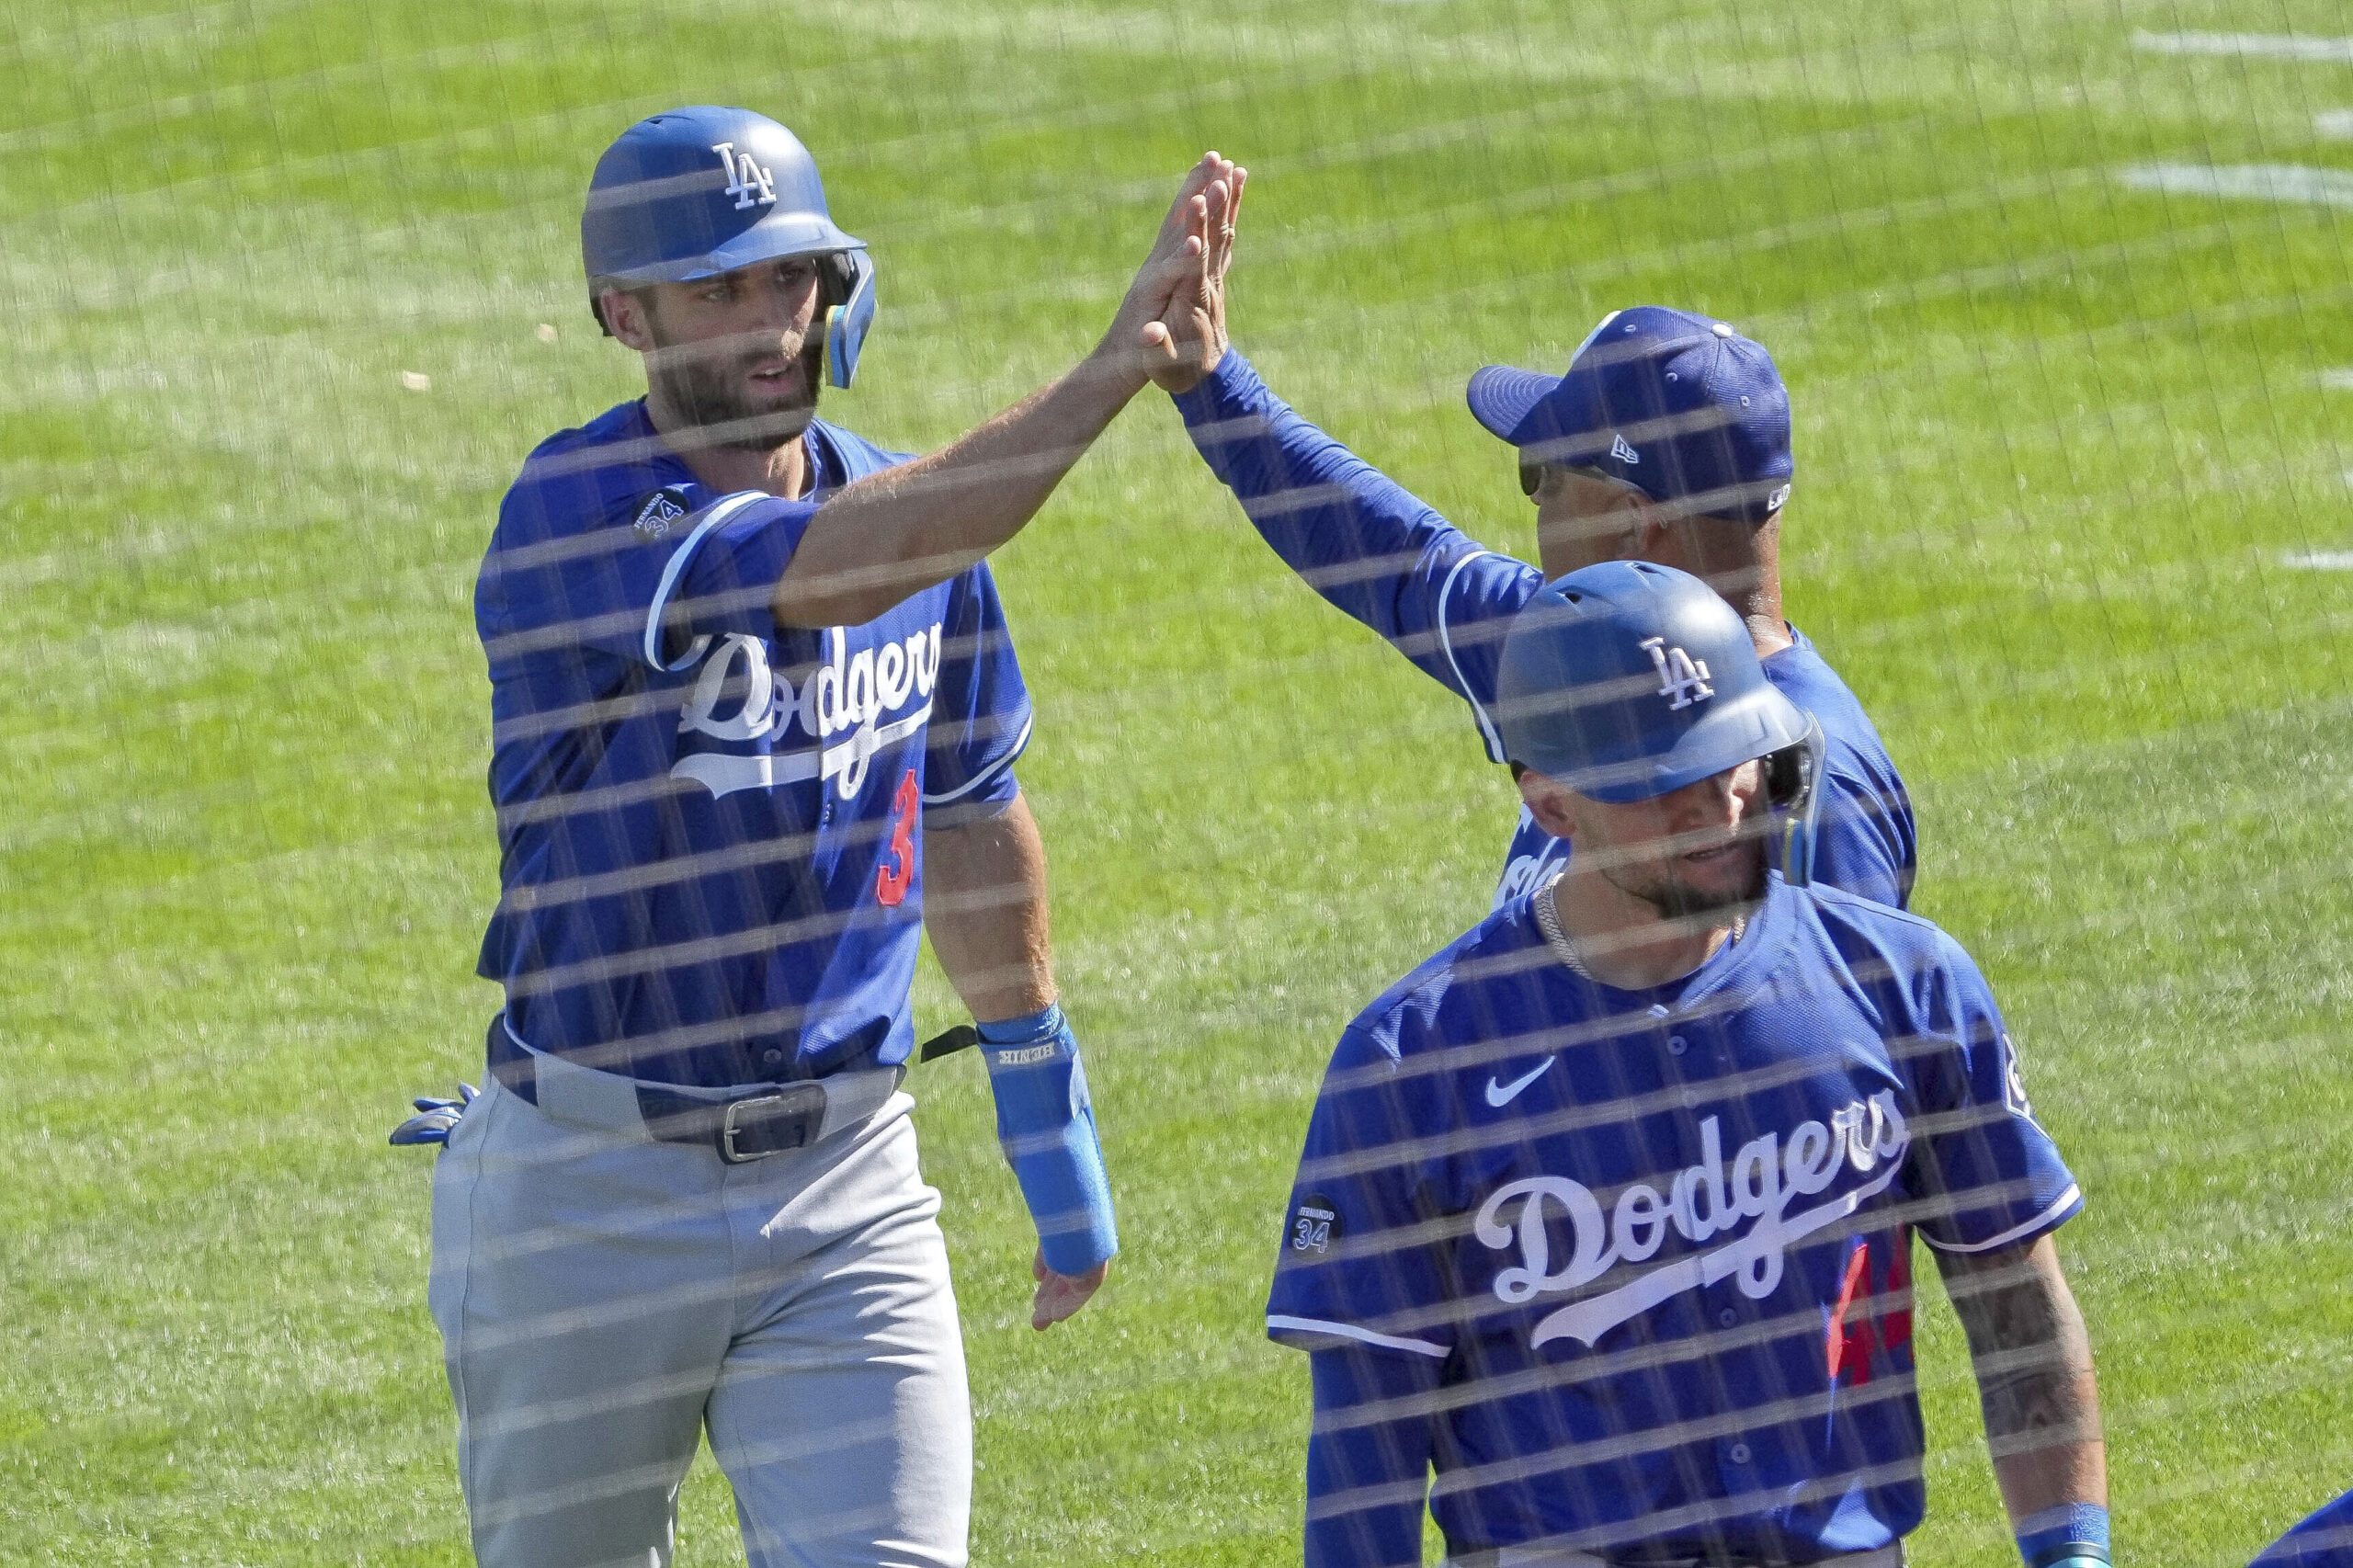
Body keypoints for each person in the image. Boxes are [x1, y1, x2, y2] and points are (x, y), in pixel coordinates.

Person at [394, 107, 1243, 1568]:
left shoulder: (919, 527)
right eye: (716, 291)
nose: (769, 324)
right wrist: (1113, 375)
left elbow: (970, 811)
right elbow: (838, 572)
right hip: (586, 1199)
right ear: (623, 314)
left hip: (850, 1184)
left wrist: (1051, 1122)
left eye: (790, 279)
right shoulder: (579, 514)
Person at [1265, 561, 2106, 1567]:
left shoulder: (1904, 983)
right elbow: (1367, 1445)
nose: (1716, 808)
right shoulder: (1412, 1063)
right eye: (1662, 785)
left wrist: (2071, 1554)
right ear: (1551, 804)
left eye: (1732, 759)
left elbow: (2015, 1304)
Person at [1161, 228, 1915, 910]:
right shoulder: (1574, 651)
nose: (1535, 508)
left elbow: (1847, 1045)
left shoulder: (1813, 789)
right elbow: (1394, 555)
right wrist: (1213, 383)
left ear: (1627, 520)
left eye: (1541, 477)